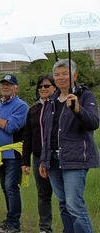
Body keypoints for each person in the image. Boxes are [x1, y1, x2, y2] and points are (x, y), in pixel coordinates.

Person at [40, 59, 99, 233]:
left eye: (65, 73)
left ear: (74, 75)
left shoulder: (85, 96)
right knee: (64, 204)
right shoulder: (51, 100)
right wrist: (44, 161)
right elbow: (48, 133)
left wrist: (78, 109)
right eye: (57, 75)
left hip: (75, 158)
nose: (61, 78)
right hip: (54, 159)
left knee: (74, 205)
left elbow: (94, 122)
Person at [0, 74, 28, 233]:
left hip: (13, 154)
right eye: (3, 85)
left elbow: (10, 127)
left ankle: (14, 223)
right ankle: (9, 218)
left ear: (16, 87)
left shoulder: (21, 106)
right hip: (0, 154)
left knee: (11, 187)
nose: (5, 87)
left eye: (9, 84)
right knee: (5, 187)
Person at [22, 74, 57, 233]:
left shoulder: (59, 107)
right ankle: (45, 228)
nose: (43, 89)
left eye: (47, 86)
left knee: (64, 197)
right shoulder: (34, 110)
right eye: (40, 86)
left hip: (56, 157)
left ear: (55, 88)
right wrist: (25, 161)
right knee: (43, 194)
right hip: (37, 157)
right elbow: (27, 136)